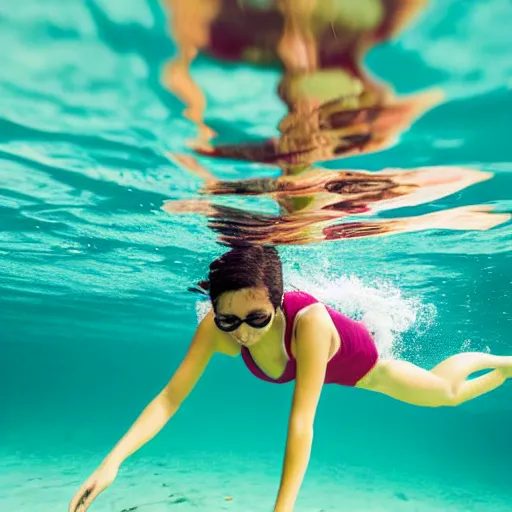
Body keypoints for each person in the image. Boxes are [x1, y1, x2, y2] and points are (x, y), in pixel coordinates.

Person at [69, 245, 512, 512]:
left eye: (256, 318)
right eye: (228, 320)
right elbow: (169, 399)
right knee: (446, 393)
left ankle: (503, 361)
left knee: (448, 393)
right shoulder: (216, 328)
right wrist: (112, 463)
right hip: (339, 365)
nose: (241, 331)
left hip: (367, 368)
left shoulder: (310, 323)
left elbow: (302, 422)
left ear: (278, 303)